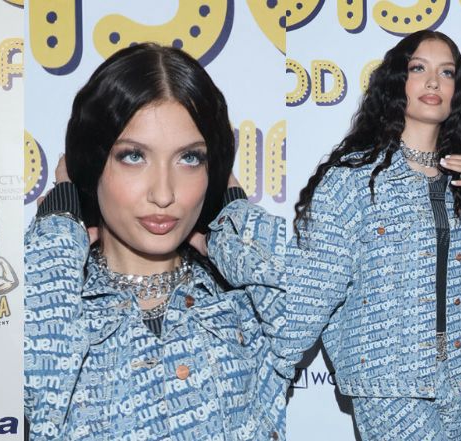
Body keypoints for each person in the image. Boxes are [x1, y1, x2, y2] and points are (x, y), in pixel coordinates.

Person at [211, 30, 461, 440]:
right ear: (398, 82)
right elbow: (313, 288)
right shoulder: (354, 181)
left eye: (447, 72)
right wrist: (273, 371)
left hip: (458, 377)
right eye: (419, 68)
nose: (434, 81)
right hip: (388, 384)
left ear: (457, 92)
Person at [24, 43, 291, 440]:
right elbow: (38, 386)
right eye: (134, 156)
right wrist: (58, 228)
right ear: (91, 163)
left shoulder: (244, 305)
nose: (164, 194)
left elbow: (306, 306)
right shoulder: (60, 302)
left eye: (190, 158)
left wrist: (237, 221)